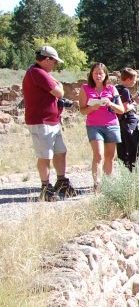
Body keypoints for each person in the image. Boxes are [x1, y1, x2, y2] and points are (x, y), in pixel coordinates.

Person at [22, 45, 76, 201]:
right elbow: (59, 92)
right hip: (41, 121)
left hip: (50, 120)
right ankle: (45, 187)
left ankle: (61, 181)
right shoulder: (37, 72)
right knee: (45, 156)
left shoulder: (39, 72)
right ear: (47, 59)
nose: (55, 65)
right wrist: (59, 85)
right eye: (54, 61)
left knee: (60, 151)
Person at [79, 62, 125, 190]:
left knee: (109, 156)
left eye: (101, 73)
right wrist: (92, 108)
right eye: (95, 73)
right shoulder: (85, 88)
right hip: (94, 125)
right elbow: (82, 110)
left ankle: (107, 184)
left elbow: (121, 110)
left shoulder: (112, 88)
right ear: (91, 74)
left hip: (111, 125)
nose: (98, 76)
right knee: (99, 154)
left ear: (105, 75)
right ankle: (97, 183)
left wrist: (110, 103)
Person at [115, 68, 139, 171]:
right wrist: (135, 102)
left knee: (122, 148)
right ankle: (133, 172)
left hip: (119, 122)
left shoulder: (116, 88)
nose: (135, 82)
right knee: (133, 148)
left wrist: (132, 99)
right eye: (134, 79)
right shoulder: (125, 90)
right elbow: (125, 108)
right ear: (129, 79)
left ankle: (124, 172)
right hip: (129, 121)